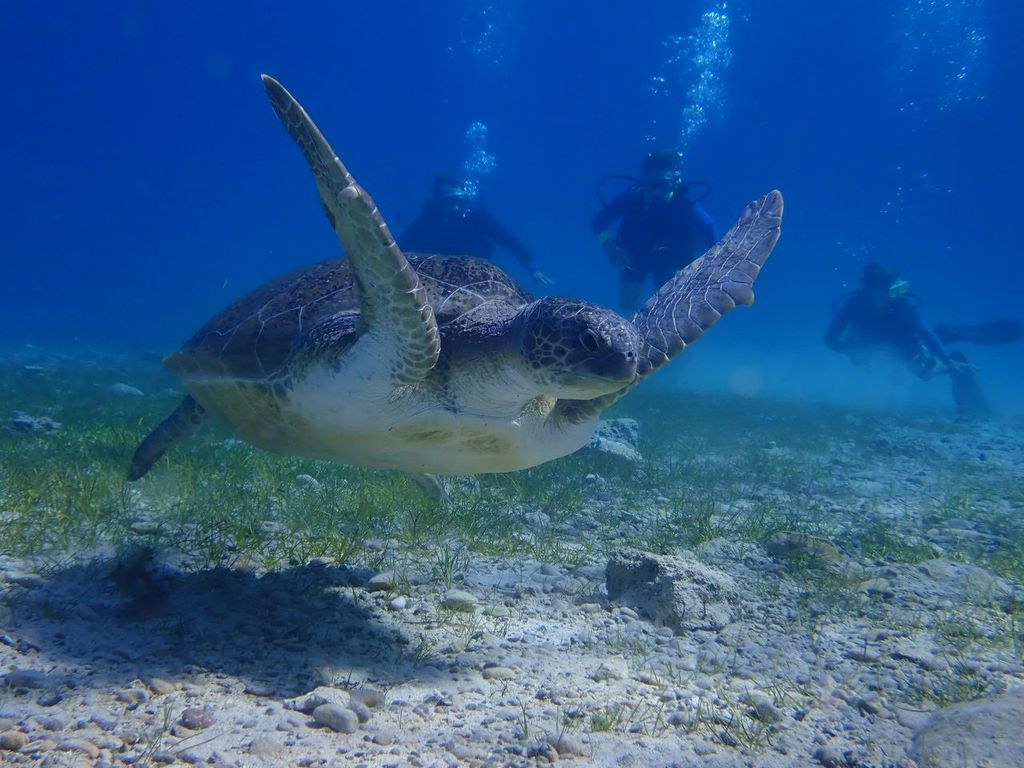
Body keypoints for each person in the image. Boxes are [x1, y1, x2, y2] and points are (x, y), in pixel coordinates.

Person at [825, 263, 1022, 419]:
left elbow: (925, 333)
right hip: (876, 355)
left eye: (895, 289)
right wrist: (854, 351)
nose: (891, 296)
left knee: (928, 364)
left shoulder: (900, 305)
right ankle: (953, 354)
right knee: (925, 360)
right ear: (870, 288)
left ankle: (968, 361)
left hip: (910, 349)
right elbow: (830, 339)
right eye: (886, 290)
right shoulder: (854, 306)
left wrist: (947, 361)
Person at [592, 149, 718, 312]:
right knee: (627, 305)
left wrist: (708, 267)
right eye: (652, 185)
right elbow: (598, 222)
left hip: (672, 264)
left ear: (674, 182)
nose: (657, 191)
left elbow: (709, 229)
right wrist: (609, 244)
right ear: (643, 182)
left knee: (668, 310)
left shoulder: (685, 206)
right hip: (635, 257)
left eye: (662, 184)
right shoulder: (630, 201)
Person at [400, 175, 551, 285]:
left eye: (460, 200)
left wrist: (533, 269)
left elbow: (511, 242)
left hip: (476, 277)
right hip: (434, 278)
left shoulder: (478, 219)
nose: (456, 207)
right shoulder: (424, 224)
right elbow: (399, 252)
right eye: (449, 201)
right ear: (437, 202)